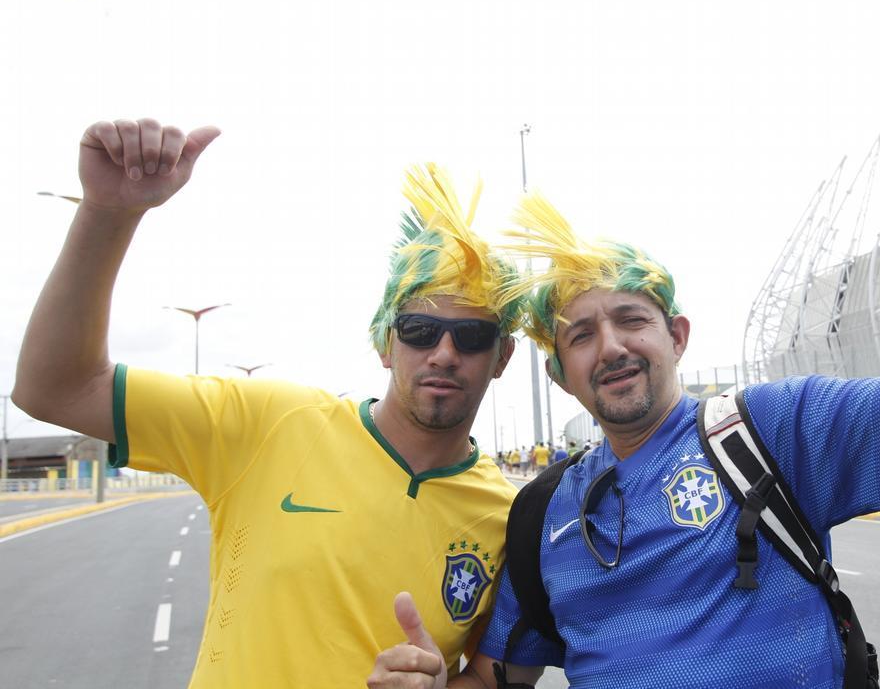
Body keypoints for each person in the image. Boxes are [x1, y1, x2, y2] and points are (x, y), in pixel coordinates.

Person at [366, 31, 880, 688]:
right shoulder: (543, 517)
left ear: (676, 336)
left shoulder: (773, 430)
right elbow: (498, 678)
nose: (609, 344)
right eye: (579, 334)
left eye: (630, 318)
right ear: (560, 374)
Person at [11, 138, 525, 689]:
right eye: (420, 330)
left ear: (502, 357)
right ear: (385, 343)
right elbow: (55, 387)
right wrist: (108, 215)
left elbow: (498, 674)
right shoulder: (268, 422)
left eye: (472, 336)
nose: (444, 353)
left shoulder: (511, 518)